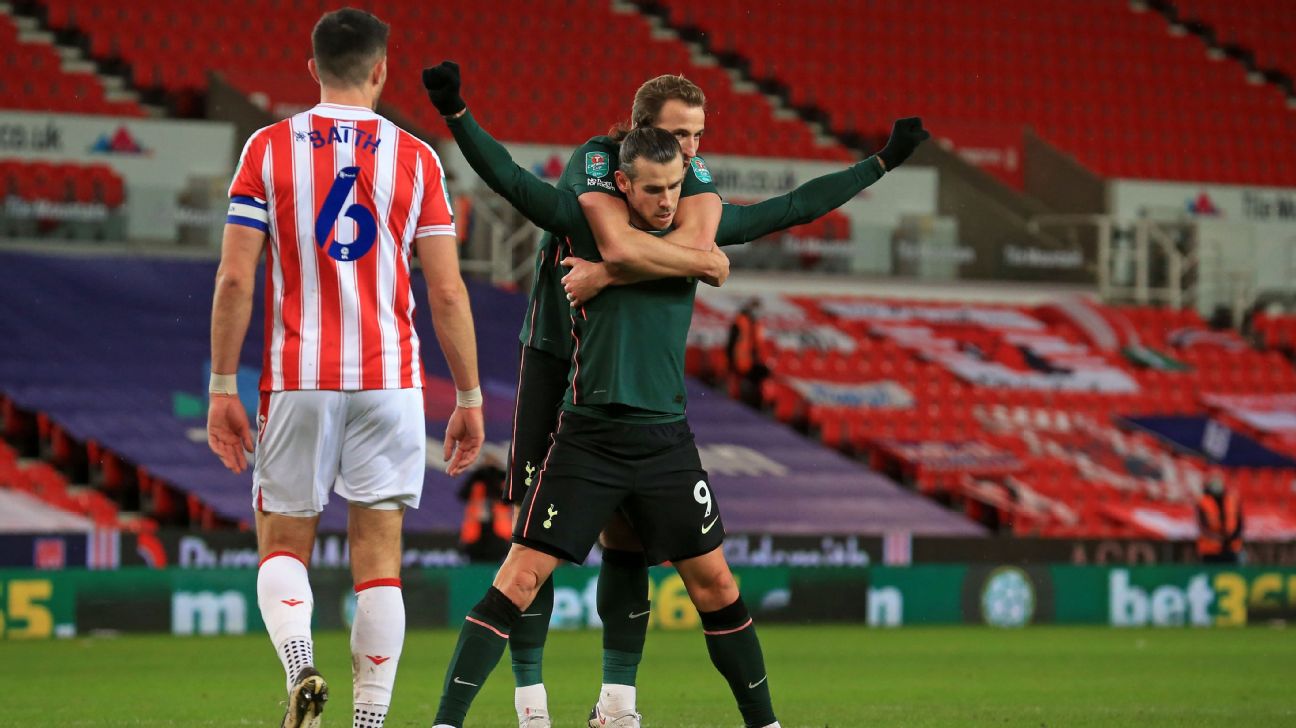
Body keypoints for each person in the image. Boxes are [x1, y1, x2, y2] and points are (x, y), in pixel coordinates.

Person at [421, 61, 928, 728]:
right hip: (572, 390)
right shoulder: (593, 178)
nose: (689, 153)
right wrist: (457, 113)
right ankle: (527, 705)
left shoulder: (694, 197)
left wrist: (881, 163)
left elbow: (794, 206)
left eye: (697, 138)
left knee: (681, 569)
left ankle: (624, 705)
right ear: (636, 150)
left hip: (662, 434)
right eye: (677, 138)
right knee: (523, 564)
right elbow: (515, 183)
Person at [205, 10, 485, 728]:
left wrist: (220, 385)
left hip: (298, 375)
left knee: (282, 542)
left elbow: (236, 280)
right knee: (380, 561)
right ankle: (367, 721)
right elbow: (447, 290)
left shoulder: (266, 151)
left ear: (312, 70)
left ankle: (301, 666)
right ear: (382, 70)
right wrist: (471, 395)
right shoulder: (418, 158)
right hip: (390, 381)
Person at [457, 454, 511, 563]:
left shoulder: (501, 479)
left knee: (498, 563)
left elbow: (507, 498)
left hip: (498, 532)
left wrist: (496, 471)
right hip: (476, 531)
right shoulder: (476, 480)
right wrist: (479, 472)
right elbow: (462, 495)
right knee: (476, 562)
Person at [727, 297, 770, 408]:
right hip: (740, 361)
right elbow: (731, 343)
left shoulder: (754, 323)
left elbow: (756, 345)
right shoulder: (741, 322)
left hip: (750, 361)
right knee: (739, 389)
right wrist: (731, 360)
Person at [1197, 473, 1244, 564]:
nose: (1217, 485)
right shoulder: (1203, 502)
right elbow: (1202, 525)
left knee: (1229, 575)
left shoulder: (1232, 500)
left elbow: (1239, 522)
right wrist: (1218, 538)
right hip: (1210, 548)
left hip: (1231, 546)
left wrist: (1232, 537)